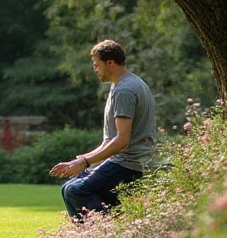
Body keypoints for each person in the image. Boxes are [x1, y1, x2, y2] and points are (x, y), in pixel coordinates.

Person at [49, 39, 156, 219]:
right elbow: (109, 140)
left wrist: (86, 162)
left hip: (129, 164)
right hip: (121, 160)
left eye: (96, 65)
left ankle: (108, 233)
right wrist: (82, 159)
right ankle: (94, 233)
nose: (95, 69)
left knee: (76, 191)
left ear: (110, 63)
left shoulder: (125, 90)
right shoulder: (121, 86)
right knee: (69, 187)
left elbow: (122, 140)